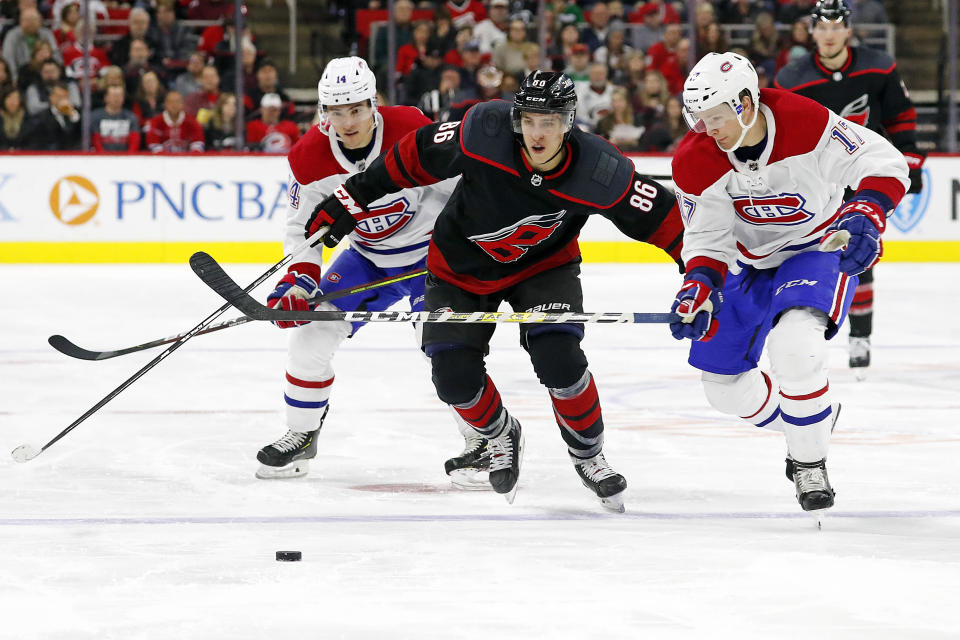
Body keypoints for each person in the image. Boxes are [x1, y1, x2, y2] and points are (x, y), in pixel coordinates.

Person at [304, 70, 684, 510]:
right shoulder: (483, 131)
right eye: (527, 121)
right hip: (460, 268)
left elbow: (665, 221)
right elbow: (412, 157)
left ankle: (590, 456)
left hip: (544, 268)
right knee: (452, 377)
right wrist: (352, 198)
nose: (536, 133)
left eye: (548, 122)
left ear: (568, 121)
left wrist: (700, 278)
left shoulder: (601, 169)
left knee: (560, 359)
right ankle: (501, 435)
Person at [669, 52, 908, 516]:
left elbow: (882, 161)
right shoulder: (696, 160)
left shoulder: (806, 122)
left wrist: (867, 212)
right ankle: (810, 417)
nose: (706, 130)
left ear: (744, 103)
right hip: (748, 263)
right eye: (698, 119)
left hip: (815, 248)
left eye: (715, 117)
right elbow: (706, 238)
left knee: (795, 349)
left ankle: (808, 460)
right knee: (722, 388)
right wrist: (698, 283)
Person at [252, 56, 478, 488]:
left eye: (355, 109)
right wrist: (297, 281)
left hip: (431, 253)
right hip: (368, 259)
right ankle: (302, 434)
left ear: (373, 104)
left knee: (441, 344)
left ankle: (482, 439)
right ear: (323, 114)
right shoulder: (308, 156)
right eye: (336, 112)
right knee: (309, 339)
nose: (348, 121)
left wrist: (464, 253)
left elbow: (459, 189)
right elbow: (303, 229)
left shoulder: (409, 126)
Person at [774, 0, 924, 376]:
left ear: (847, 30)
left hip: (865, 173)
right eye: (821, 28)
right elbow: (783, 132)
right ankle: (794, 337)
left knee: (860, 248)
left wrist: (909, 160)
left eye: (835, 27)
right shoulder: (792, 78)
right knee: (800, 254)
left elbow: (900, 115)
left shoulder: (878, 66)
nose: (828, 35)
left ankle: (860, 336)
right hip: (817, 180)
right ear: (812, 32)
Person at [24, 81, 80, 149]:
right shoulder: (41, 117)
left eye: (64, 97)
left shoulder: (74, 114)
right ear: (51, 97)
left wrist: (72, 115)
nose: (62, 100)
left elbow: (77, 137)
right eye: (59, 96)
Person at [89, 84, 140, 151]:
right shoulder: (95, 116)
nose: (116, 98)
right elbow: (95, 141)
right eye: (113, 96)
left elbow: (134, 142)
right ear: (106, 98)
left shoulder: (131, 117)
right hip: (102, 158)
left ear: (123, 98)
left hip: (126, 158)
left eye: (119, 96)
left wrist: (129, 157)